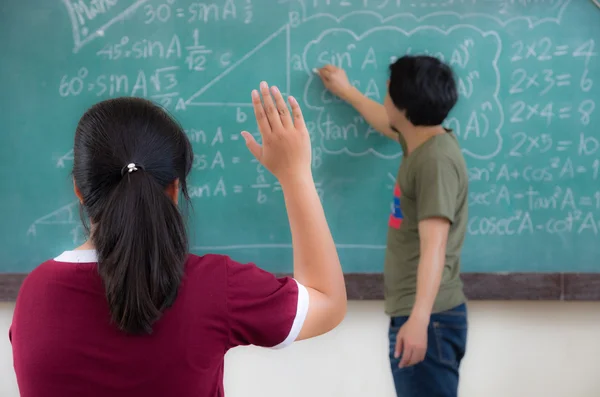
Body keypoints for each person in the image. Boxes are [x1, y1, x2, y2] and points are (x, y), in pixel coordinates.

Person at [9, 83, 347, 397]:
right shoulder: (214, 286)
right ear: (173, 190)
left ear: (80, 191)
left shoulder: (35, 294)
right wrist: (295, 175)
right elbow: (327, 302)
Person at [317, 55, 468, 396]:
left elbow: (435, 246)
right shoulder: (422, 140)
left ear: (403, 104)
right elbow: (384, 122)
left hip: (431, 319)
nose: (383, 92)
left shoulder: (435, 162)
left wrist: (419, 320)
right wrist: (347, 92)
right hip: (425, 315)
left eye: (388, 88)